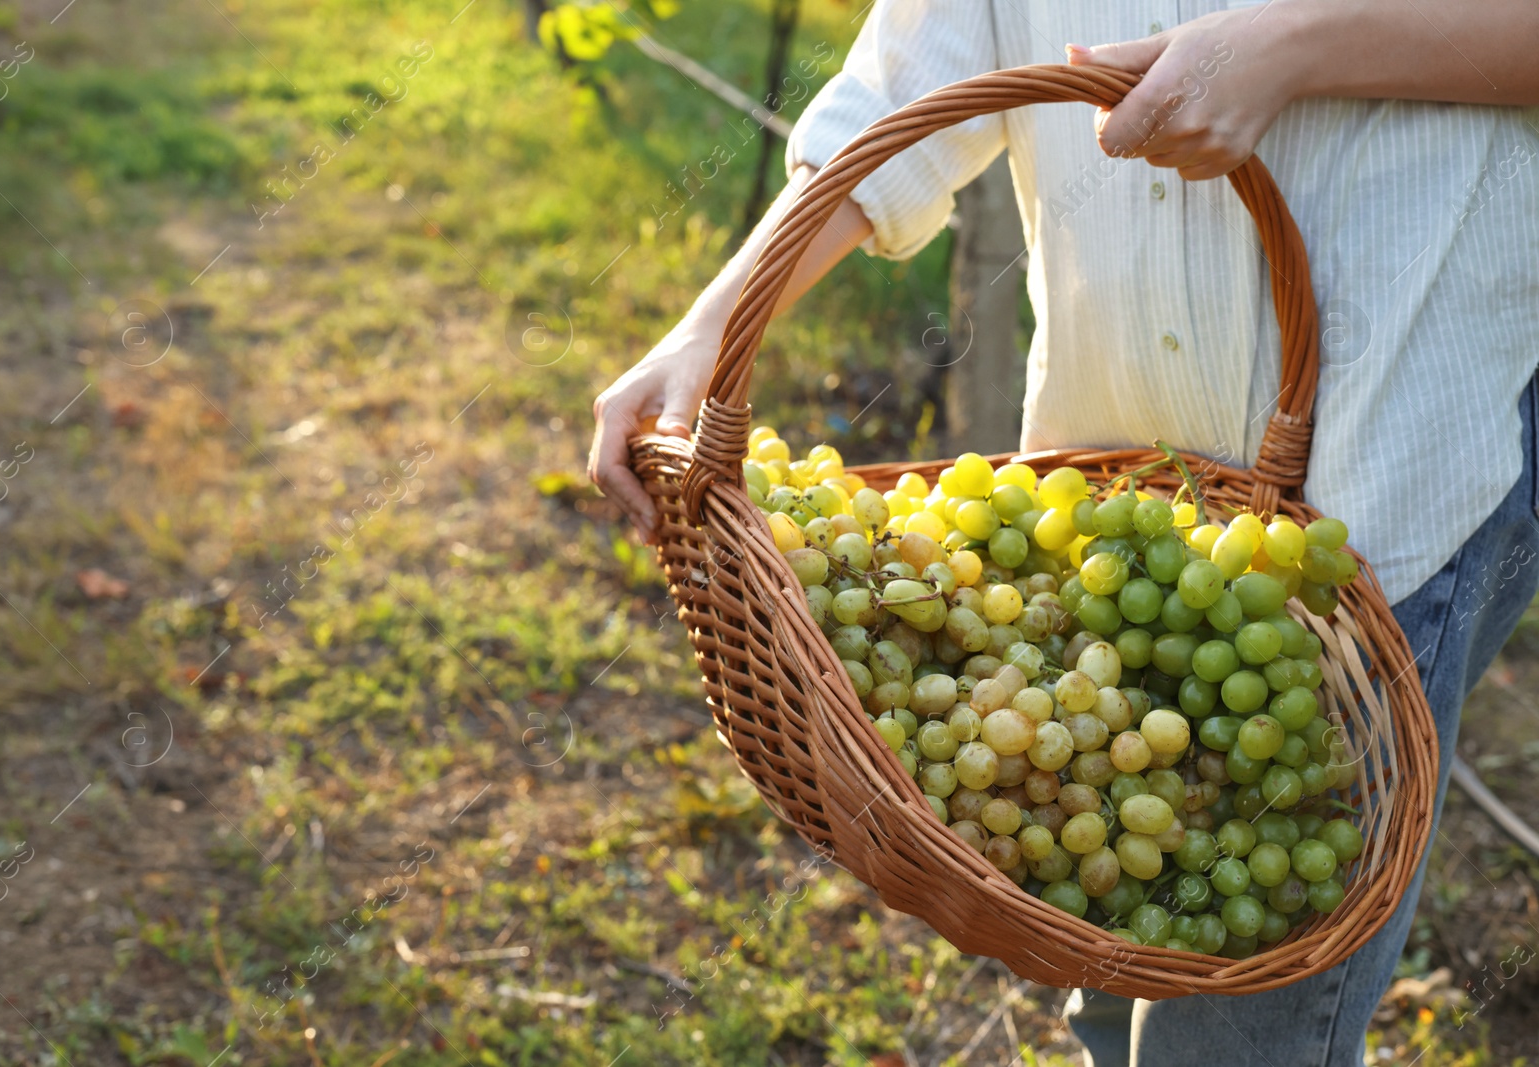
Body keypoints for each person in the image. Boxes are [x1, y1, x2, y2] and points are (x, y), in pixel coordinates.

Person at [588, 3, 1539, 1064]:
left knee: (1236, 1030)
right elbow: (907, 79)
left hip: (1383, 473)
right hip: (1105, 503)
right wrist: (709, 326)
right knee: (1108, 947)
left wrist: (1295, 49)